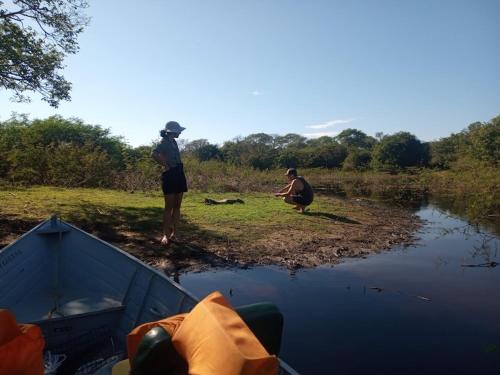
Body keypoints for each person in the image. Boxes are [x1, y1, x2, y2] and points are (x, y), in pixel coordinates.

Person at [152, 121, 187, 247]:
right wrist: (165, 165)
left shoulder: (174, 142)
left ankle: (175, 234)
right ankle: (165, 235)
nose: (180, 133)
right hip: (170, 175)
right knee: (169, 207)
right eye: (178, 131)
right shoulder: (164, 143)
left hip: (179, 174)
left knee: (177, 206)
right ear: (172, 131)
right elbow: (154, 154)